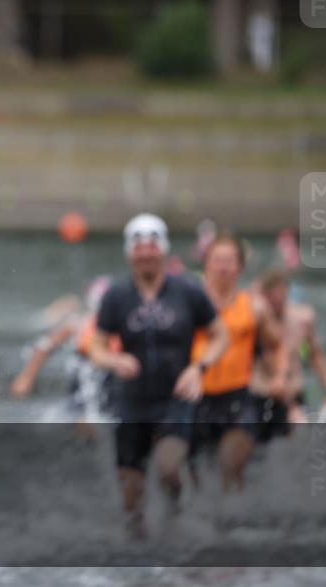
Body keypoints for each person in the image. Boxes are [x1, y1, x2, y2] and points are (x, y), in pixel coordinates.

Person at [89, 214, 228, 538]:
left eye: (152, 248)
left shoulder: (187, 292)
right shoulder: (116, 296)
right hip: (131, 400)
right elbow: (96, 346)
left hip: (175, 398)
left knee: (168, 466)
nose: (146, 255)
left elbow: (220, 335)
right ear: (130, 254)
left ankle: (175, 514)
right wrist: (114, 359)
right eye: (139, 249)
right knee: (131, 495)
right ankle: (139, 550)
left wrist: (198, 368)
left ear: (163, 251)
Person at [190, 234, 286, 492]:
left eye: (229, 261)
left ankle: (236, 514)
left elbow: (277, 346)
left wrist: (279, 377)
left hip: (238, 398)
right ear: (206, 264)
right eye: (217, 260)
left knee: (229, 464)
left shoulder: (255, 307)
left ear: (240, 267)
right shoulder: (188, 303)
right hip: (195, 398)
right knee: (193, 472)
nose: (223, 267)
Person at [9, 276, 117, 437]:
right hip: (82, 390)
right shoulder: (78, 325)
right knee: (83, 422)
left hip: (113, 389)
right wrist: (25, 378)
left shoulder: (124, 327)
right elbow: (44, 347)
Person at [250, 268, 326, 438]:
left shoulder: (302, 318)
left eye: (281, 295)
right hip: (260, 393)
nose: (277, 301)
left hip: (293, 391)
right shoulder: (254, 318)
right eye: (272, 297)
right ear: (264, 296)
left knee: (300, 442)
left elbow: (316, 355)